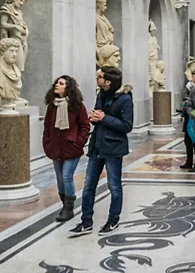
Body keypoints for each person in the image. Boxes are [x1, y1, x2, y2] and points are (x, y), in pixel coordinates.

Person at [70, 67, 133, 237]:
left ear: (108, 81)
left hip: (113, 148)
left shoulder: (125, 99)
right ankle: (86, 222)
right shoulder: (100, 95)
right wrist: (95, 118)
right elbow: (98, 117)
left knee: (114, 186)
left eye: (99, 76)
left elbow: (127, 126)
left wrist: (104, 118)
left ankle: (113, 220)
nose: (96, 78)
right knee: (88, 186)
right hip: (97, 145)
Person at [42, 75, 90, 222]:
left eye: (61, 83)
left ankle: (69, 208)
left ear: (68, 88)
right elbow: (47, 126)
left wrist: (78, 142)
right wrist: (47, 142)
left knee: (66, 176)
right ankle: (65, 205)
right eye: (56, 82)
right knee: (59, 178)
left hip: (71, 148)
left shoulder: (77, 106)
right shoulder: (52, 106)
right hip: (55, 148)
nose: (57, 84)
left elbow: (85, 126)